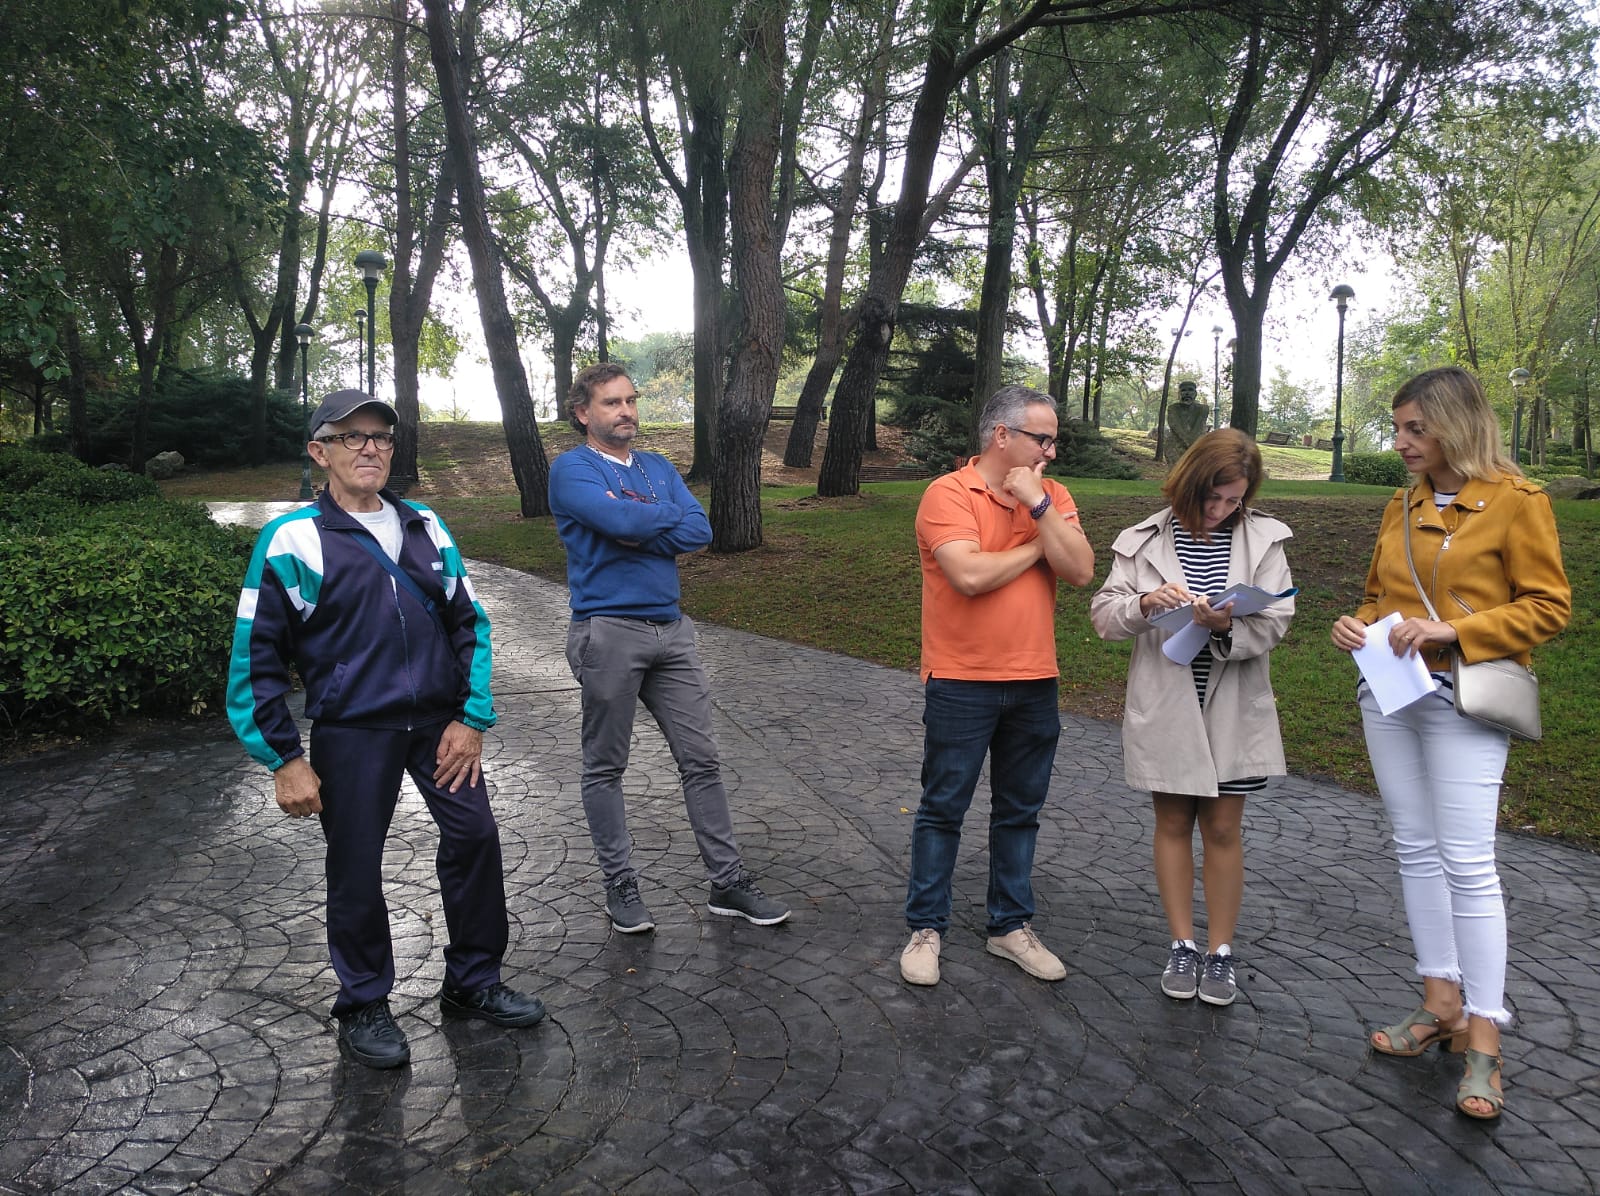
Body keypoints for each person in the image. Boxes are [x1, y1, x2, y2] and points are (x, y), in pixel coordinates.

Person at [228, 389, 546, 1070]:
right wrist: (284, 758)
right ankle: (364, 1002)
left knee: (475, 837)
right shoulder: (291, 540)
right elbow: (255, 657)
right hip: (352, 730)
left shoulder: (425, 525)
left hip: (439, 727)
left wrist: (471, 717)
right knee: (354, 865)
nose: (370, 448)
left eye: (380, 436)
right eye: (352, 436)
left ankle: (473, 981)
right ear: (320, 453)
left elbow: (470, 623)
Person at [1330, 367, 1570, 1120]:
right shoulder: (1400, 503)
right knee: (1414, 847)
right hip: (1390, 693)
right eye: (1399, 427)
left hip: (1464, 696)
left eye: (1416, 428)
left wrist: (1453, 630)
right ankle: (1440, 1002)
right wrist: (1357, 624)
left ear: (1455, 425)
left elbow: (1549, 606)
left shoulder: (1517, 501)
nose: (1401, 442)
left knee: (1468, 862)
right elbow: (1380, 596)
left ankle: (1485, 1039)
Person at [548, 363, 790, 933]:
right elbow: (617, 518)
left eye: (631, 400)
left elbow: (698, 530)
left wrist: (635, 526)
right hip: (608, 630)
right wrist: (650, 519)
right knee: (605, 766)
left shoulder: (656, 467)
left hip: (672, 631)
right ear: (583, 413)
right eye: (611, 402)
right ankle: (620, 885)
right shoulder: (572, 469)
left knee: (701, 759)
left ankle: (727, 883)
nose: (626, 411)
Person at [899, 384, 1096, 987]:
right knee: (943, 808)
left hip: (1036, 678)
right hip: (961, 679)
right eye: (1043, 439)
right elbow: (968, 575)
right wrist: (1040, 545)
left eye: (1054, 441)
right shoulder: (948, 493)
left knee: (1020, 812)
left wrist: (1038, 507)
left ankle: (1010, 926)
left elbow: (1081, 570)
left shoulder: (1052, 495)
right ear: (1002, 435)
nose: (1051, 453)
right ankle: (926, 928)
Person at [1089, 429, 1293, 1008]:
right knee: (1174, 823)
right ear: (1190, 483)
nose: (1222, 510)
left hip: (1231, 702)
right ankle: (1182, 944)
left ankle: (1220, 952)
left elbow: (1278, 617)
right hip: (1168, 702)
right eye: (1213, 497)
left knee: (1224, 828)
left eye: (1235, 500)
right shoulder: (1141, 539)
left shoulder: (1265, 538)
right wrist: (1144, 604)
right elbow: (1104, 615)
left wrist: (1227, 625)